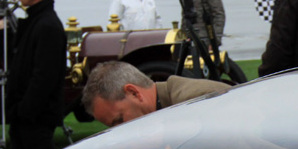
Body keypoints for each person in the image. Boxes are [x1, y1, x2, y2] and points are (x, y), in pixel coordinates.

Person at [6, 0, 67, 149]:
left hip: (36, 118)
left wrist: (25, 110)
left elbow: (44, 76)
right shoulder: (35, 21)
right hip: (26, 116)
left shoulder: (47, 25)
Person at [81, 61, 228, 127]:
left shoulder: (196, 103)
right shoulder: (164, 118)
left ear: (134, 93)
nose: (120, 132)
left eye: (120, 120)